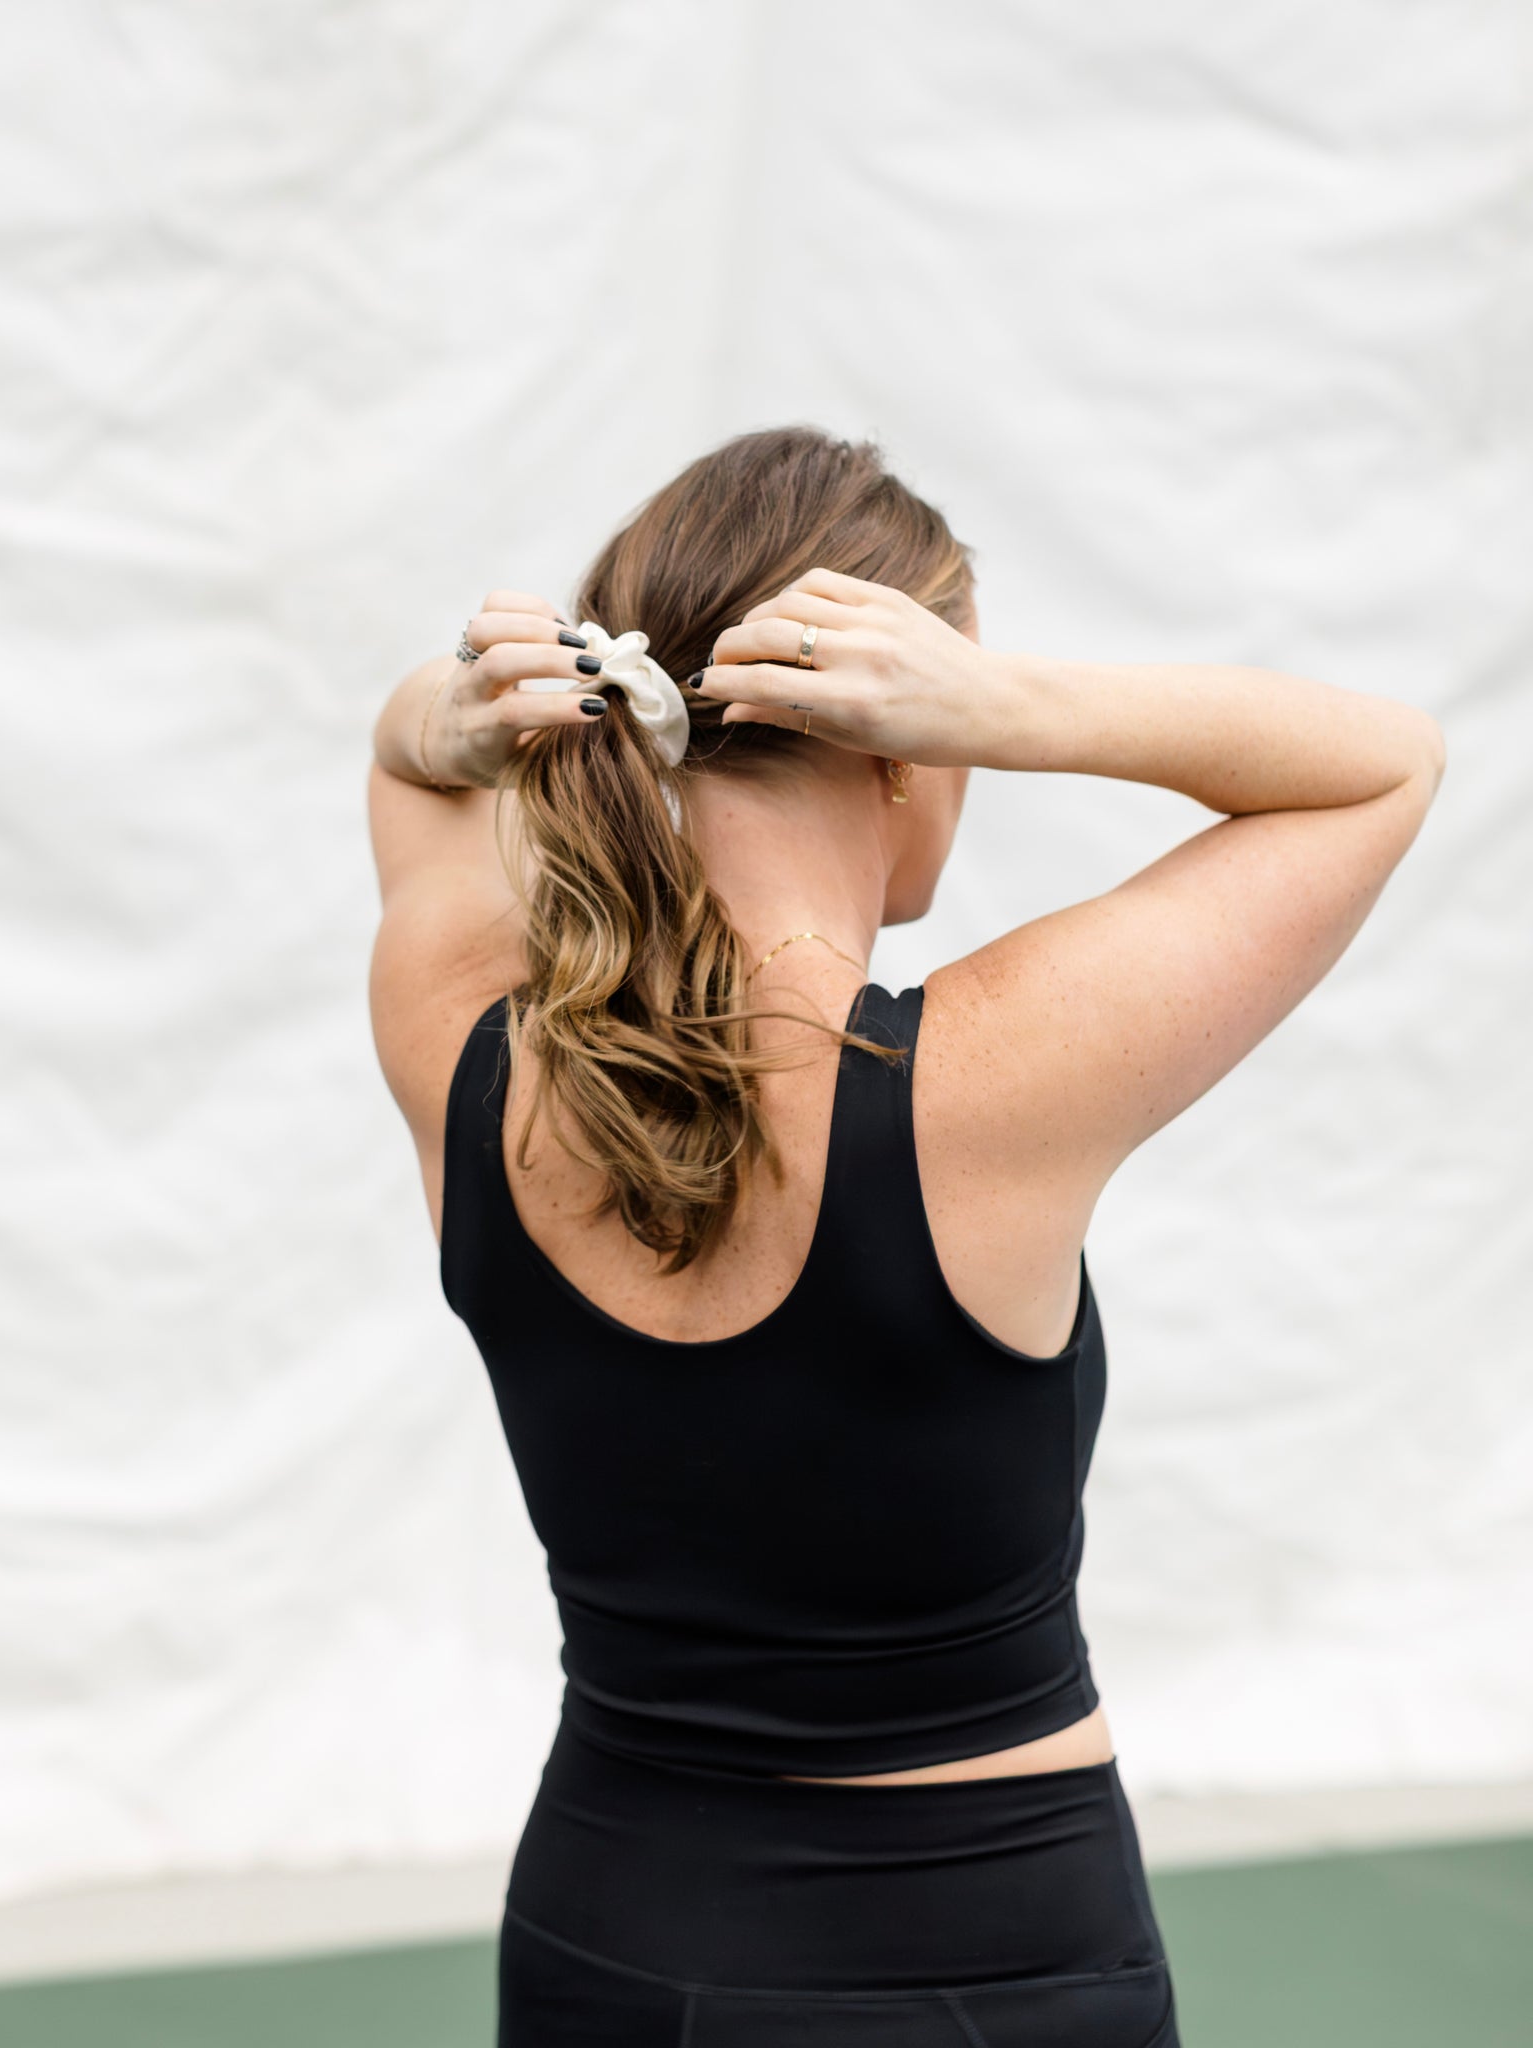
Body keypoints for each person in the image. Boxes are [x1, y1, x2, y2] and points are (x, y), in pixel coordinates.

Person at [366, 428, 1443, 2046]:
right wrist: (1023, 714)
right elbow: (1385, 760)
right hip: (982, 1963)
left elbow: (408, 776)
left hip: (605, 1935)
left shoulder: (466, 1050)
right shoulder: (987, 1083)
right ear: (902, 743)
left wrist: (438, 711)